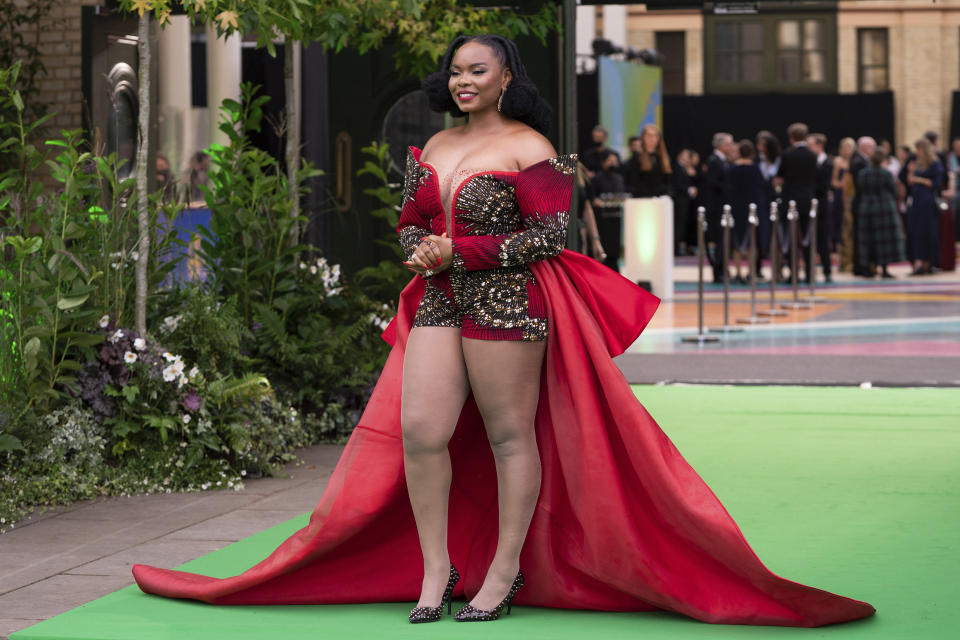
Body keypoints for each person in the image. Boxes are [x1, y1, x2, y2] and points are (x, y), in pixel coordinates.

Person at [130, 34, 875, 629]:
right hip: (440, 298)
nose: (462, 81)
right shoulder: (437, 146)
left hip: (511, 301)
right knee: (420, 431)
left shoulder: (531, 147)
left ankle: (503, 570)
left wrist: (464, 250)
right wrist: (420, 246)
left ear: (505, 78)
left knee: (509, 435)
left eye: (476, 70)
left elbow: (550, 235)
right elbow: (412, 220)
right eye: (455, 71)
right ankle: (434, 571)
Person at [775, 122, 817, 282]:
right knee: (807, 237)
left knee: (791, 239)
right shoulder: (812, 156)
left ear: (791, 137)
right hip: (807, 200)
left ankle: (793, 273)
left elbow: (780, 177)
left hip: (790, 200)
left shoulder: (788, 155)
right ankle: (808, 273)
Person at [723, 139, 768, 283]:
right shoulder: (755, 169)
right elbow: (761, 188)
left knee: (736, 240)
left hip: (736, 208)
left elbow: (728, 189)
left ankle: (737, 272)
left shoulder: (732, 168)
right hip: (752, 208)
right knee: (751, 241)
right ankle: (750, 271)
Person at [856, 147, 905, 278]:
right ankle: (884, 269)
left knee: (868, 239)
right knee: (884, 240)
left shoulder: (863, 174)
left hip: (866, 207)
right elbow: (894, 191)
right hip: (885, 208)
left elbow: (859, 190)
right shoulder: (886, 174)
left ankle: (870, 268)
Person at [906, 137, 944, 275]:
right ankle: (917, 263)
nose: (917, 152)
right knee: (915, 230)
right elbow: (910, 181)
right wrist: (911, 172)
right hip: (916, 201)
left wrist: (918, 179)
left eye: (919, 149)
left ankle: (928, 263)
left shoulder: (935, 164)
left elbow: (935, 184)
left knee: (928, 231)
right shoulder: (916, 163)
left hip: (927, 202)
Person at [704, 132, 735, 282]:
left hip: (723, 206)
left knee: (724, 240)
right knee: (719, 240)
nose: (731, 147)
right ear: (722, 145)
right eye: (729, 144)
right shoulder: (714, 161)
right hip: (716, 207)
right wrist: (729, 188)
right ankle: (718, 272)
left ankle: (722, 270)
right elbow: (712, 182)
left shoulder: (723, 160)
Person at [591, 150, 628, 271]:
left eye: (614, 161)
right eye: (610, 160)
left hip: (616, 217)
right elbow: (592, 198)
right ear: (604, 162)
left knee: (614, 248)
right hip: (602, 219)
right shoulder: (597, 178)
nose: (612, 163)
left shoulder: (619, 178)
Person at [808, 132, 834, 282]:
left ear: (819, 146)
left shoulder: (828, 163)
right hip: (810, 204)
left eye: (811, 145)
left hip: (822, 206)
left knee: (823, 239)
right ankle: (810, 271)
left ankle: (827, 270)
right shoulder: (810, 162)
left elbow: (824, 186)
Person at [849, 136, 876, 276]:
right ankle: (861, 267)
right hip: (861, 202)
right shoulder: (859, 161)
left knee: (861, 236)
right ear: (865, 147)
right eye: (872, 147)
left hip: (861, 202)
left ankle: (861, 266)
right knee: (861, 237)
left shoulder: (860, 160)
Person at [621, 125, 671, 198]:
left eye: (656, 136)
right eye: (649, 136)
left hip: (660, 200)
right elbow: (634, 183)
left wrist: (665, 194)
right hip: (642, 200)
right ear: (643, 138)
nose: (653, 139)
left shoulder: (663, 158)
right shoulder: (636, 159)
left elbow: (666, 181)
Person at [831, 137, 856, 271]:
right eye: (845, 147)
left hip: (852, 195)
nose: (847, 150)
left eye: (850, 147)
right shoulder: (838, 162)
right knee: (841, 227)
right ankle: (843, 260)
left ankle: (851, 259)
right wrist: (842, 185)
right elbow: (833, 181)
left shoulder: (855, 162)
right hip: (840, 196)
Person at [671, 148, 698, 255]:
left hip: (685, 201)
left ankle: (678, 248)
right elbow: (677, 184)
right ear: (680, 156)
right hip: (679, 201)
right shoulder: (676, 168)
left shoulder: (684, 168)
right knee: (678, 226)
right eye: (685, 155)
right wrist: (688, 189)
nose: (687, 158)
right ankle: (675, 249)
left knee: (682, 226)